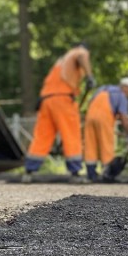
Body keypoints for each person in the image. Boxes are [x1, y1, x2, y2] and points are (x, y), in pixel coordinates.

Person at [22, 44, 95, 182]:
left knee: (42, 136)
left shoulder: (61, 60)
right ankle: (74, 173)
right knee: (71, 133)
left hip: (46, 100)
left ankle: (29, 171)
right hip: (63, 99)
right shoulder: (79, 52)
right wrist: (89, 76)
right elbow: (82, 56)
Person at [83, 77, 128, 181]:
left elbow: (90, 101)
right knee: (106, 144)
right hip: (105, 118)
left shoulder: (103, 88)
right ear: (125, 87)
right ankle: (107, 173)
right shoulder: (121, 96)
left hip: (90, 117)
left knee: (90, 145)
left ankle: (91, 174)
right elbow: (124, 117)